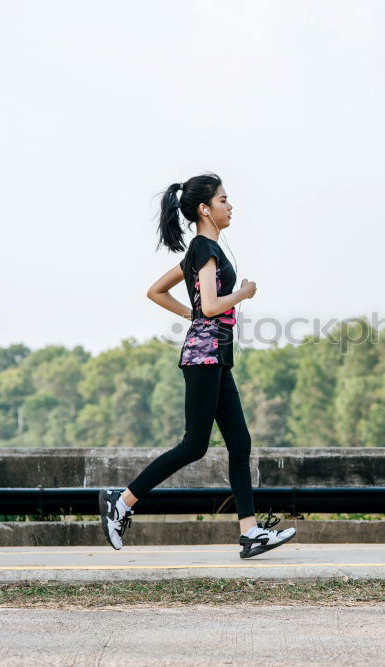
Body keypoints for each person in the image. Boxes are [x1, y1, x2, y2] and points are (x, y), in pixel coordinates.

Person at [98, 172, 296, 559]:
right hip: (204, 357)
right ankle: (121, 501)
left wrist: (193, 316)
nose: (230, 205)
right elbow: (208, 306)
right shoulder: (204, 249)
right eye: (224, 200)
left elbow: (157, 292)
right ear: (205, 209)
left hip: (216, 357)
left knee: (240, 443)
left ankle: (251, 532)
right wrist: (243, 293)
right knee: (194, 445)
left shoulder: (200, 251)